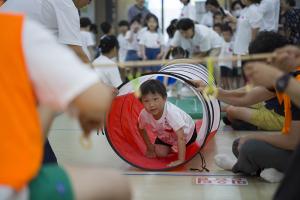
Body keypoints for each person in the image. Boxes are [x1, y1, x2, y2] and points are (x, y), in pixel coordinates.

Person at [0, 13, 131, 200]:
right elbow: (97, 101)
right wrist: (55, 94)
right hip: (8, 183)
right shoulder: (17, 30)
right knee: (116, 184)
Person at [193, 33, 300, 183]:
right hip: (292, 146)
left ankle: (246, 167)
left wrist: (254, 136)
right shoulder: (283, 78)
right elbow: (245, 96)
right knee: (239, 144)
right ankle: (271, 169)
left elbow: (293, 141)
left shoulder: (295, 85)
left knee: (249, 147)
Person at [0, 0, 91, 64]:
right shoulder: (66, 4)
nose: (88, 4)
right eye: (89, 0)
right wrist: (95, 77)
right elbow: (76, 51)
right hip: (10, 48)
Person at [137, 80, 197, 167]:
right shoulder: (144, 114)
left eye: (155, 99)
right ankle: (172, 148)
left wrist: (181, 160)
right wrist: (150, 147)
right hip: (166, 135)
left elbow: (181, 137)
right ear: (141, 102)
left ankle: (177, 149)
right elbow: (141, 128)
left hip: (187, 134)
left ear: (165, 98)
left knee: (188, 147)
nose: (151, 104)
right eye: (146, 101)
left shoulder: (171, 113)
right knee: (159, 153)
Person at [219, 25, 234, 89]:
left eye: (228, 34)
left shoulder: (234, 44)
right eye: (224, 34)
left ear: (231, 34)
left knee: (230, 82)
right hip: (221, 64)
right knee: (223, 82)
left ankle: (231, 92)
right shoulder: (220, 43)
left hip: (230, 66)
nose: (226, 36)